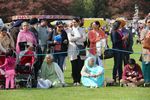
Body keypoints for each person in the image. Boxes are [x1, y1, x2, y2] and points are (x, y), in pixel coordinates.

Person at [67, 18, 86, 86]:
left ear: (78, 22)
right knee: (74, 66)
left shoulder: (82, 29)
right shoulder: (69, 30)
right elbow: (70, 39)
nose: (73, 23)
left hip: (81, 49)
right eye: (73, 22)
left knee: (80, 66)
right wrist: (78, 37)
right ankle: (75, 80)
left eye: (75, 22)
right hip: (72, 49)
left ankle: (79, 80)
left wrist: (76, 39)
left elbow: (84, 39)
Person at [140, 16, 150, 86]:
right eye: (149, 22)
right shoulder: (143, 31)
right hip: (146, 52)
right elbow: (142, 41)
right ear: (146, 23)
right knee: (146, 66)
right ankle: (146, 81)